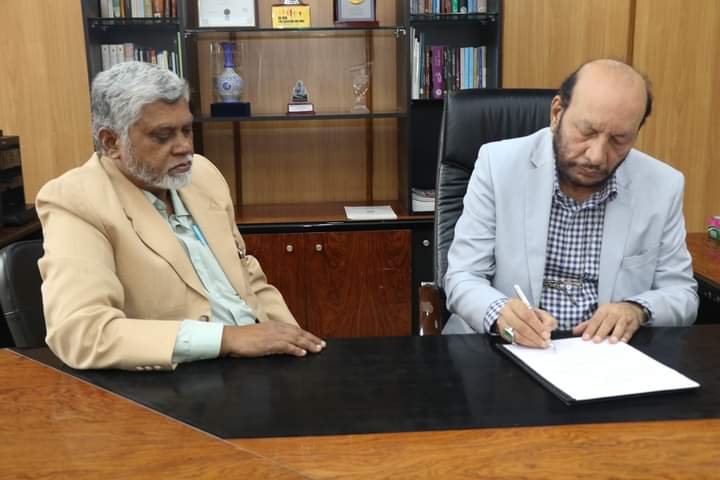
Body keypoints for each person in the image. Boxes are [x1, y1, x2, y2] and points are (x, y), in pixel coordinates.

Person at [36, 61, 326, 370]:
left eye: (187, 130)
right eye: (163, 136)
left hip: (264, 360)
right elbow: (81, 332)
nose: (184, 147)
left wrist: (294, 342)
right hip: (188, 376)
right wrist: (227, 339)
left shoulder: (203, 174)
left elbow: (248, 278)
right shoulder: (76, 199)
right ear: (112, 142)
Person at [442, 59, 698, 346]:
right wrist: (500, 312)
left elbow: (682, 295)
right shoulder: (498, 165)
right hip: (505, 349)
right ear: (556, 114)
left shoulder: (662, 186)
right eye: (587, 132)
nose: (596, 156)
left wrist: (637, 309)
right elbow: (463, 277)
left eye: (619, 140)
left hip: (605, 354)